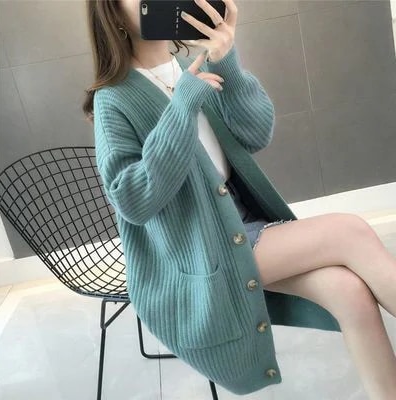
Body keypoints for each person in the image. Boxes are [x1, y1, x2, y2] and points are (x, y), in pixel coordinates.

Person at [82, 0, 396, 397]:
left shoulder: (193, 66)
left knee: (347, 291)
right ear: (112, 13)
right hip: (197, 251)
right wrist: (182, 105)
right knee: (350, 232)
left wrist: (227, 60)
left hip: (242, 226)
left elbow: (256, 134)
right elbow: (133, 200)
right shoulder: (115, 98)